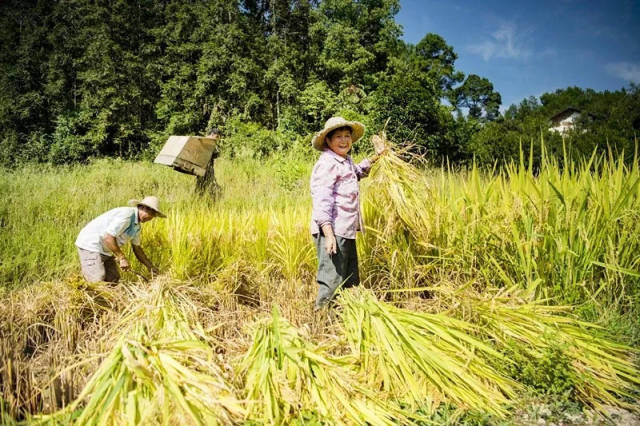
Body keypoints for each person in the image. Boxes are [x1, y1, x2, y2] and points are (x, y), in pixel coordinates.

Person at [310, 116, 385, 309]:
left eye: (347, 136)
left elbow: (358, 172)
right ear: (328, 140)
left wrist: (378, 156)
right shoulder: (327, 163)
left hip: (346, 229)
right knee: (332, 280)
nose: (344, 140)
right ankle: (323, 322)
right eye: (338, 137)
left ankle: (345, 318)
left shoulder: (345, 161)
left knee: (350, 278)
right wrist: (328, 234)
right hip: (333, 230)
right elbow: (322, 199)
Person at [75, 196, 165, 283]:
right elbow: (108, 237)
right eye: (150, 214)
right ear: (142, 207)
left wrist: (150, 266)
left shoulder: (136, 226)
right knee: (97, 279)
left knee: (113, 278)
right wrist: (121, 258)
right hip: (90, 244)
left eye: (153, 215)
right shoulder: (127, 216)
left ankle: (107, 297)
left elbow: (137, 249)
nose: (150, 218)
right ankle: (87, 293)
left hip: (104, 249)